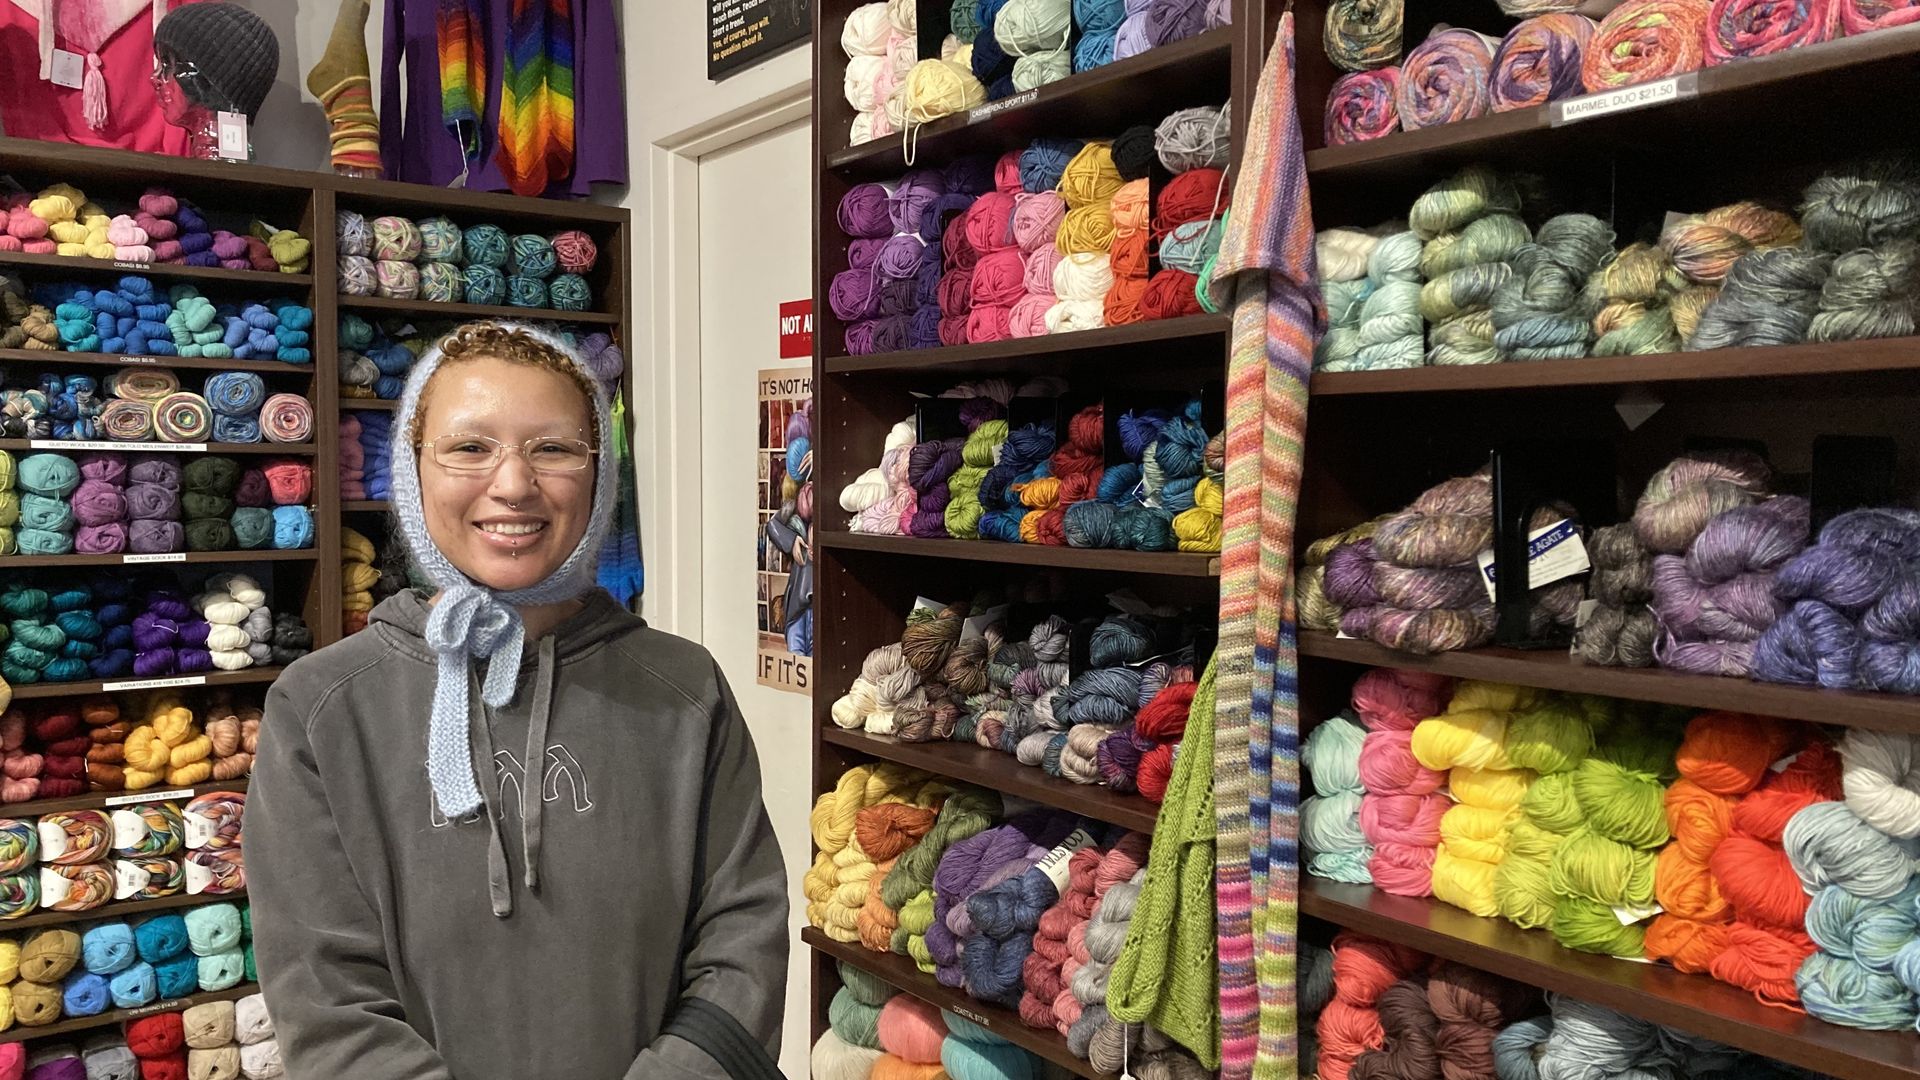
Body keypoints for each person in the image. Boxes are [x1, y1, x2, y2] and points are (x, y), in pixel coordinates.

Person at [246, 322, 788, 1079]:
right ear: (413, 467)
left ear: (598, 475)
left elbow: (743, 935)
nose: (512, 484)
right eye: (470, 447)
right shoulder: (320, 708)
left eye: (554, 448)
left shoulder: (685, 689)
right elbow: (326, 1000)